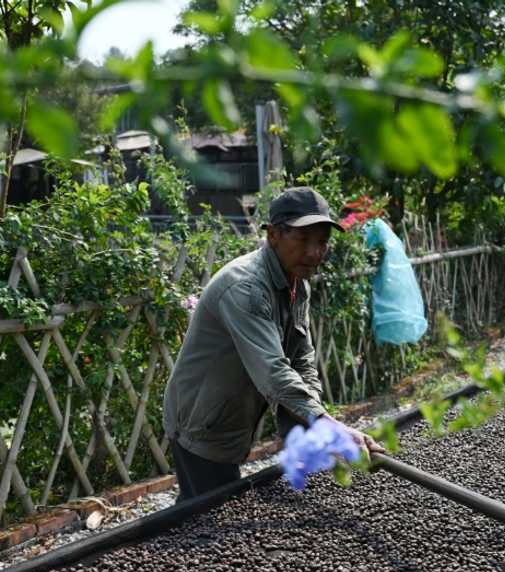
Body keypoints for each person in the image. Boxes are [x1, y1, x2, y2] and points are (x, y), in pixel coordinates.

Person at [162, 186, 381, 501]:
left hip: (230, 414)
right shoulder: (246, 288)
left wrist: (316, 421)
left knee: (210, 511)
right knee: (204, 521)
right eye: (303, 239)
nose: (314, 252)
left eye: (322, 242)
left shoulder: (295, 283)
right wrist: (332, 427)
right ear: (273, 235)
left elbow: (300, 358)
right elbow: (274, 371)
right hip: (201, 419)